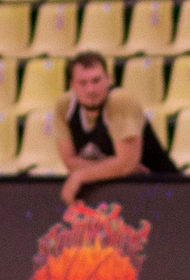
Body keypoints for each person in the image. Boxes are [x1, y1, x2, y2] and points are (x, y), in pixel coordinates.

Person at [55, 49, 180, 201]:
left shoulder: (120, 101)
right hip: (119, 191)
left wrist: (82, 175)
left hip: (163, 189)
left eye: (96, 80)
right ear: (72, 85)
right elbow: (69, 162)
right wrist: (116, 167)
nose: (91, 89)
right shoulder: (64, 107)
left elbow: (125, 165)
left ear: (109, 79)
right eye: (83, 83)